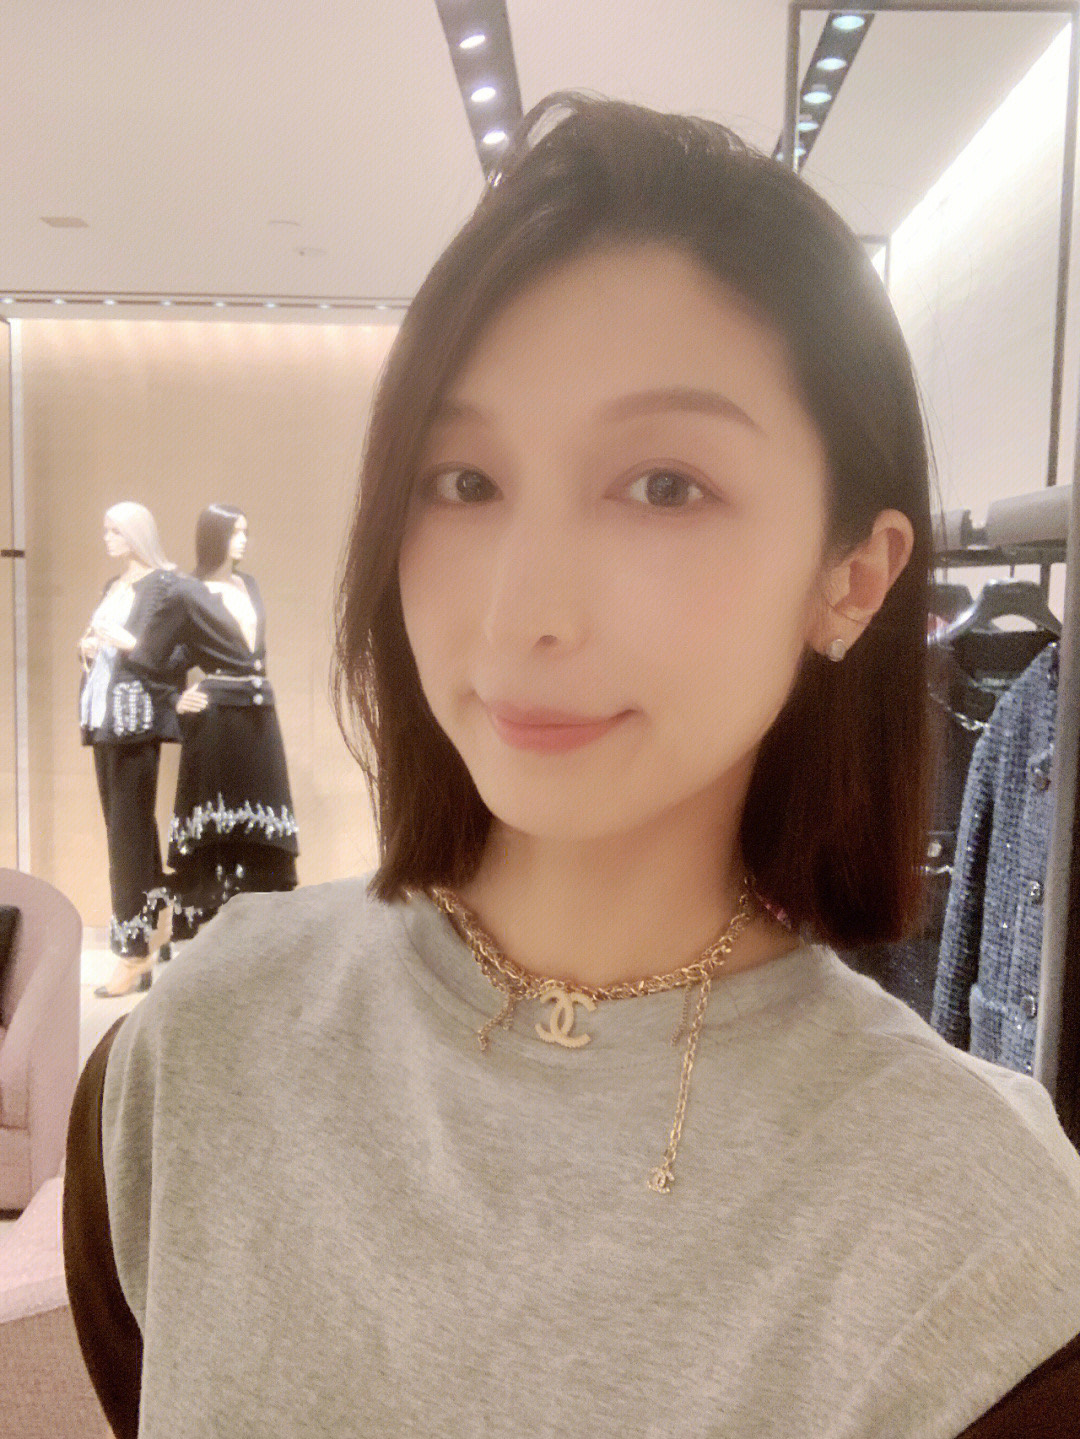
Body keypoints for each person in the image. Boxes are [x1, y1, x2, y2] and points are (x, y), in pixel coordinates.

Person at [63, 94, 1080, 1437]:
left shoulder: (976, 1247)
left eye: (664, 484)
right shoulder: (200, 1047)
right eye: (462, 480)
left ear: (853, 575)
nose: (521, 612)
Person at [124, 504, 300, 942]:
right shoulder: (187, 591)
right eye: (235, 532)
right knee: (217, 821)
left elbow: (249, 647)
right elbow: (146, 656)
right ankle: (213, 927)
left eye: (245, 532)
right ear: (215, 537)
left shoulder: (248, 585)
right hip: (217, 717)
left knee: (263, 818)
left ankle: (263, 924)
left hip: (261, 714)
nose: (243, 541)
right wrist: (172, 698)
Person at [78, 501, 186, 997]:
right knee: (130, 830)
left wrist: (125, 644)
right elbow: (104, 646)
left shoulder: (164, 586)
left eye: (116, 530)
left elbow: (176, 654)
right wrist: (89, 648)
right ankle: (153, 926)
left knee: (127, 834)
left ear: (137, 533)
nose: (108, 538)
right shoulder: (115, 587)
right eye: (106, 529)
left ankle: (132, 951)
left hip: (132, 720)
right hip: (104, 717)